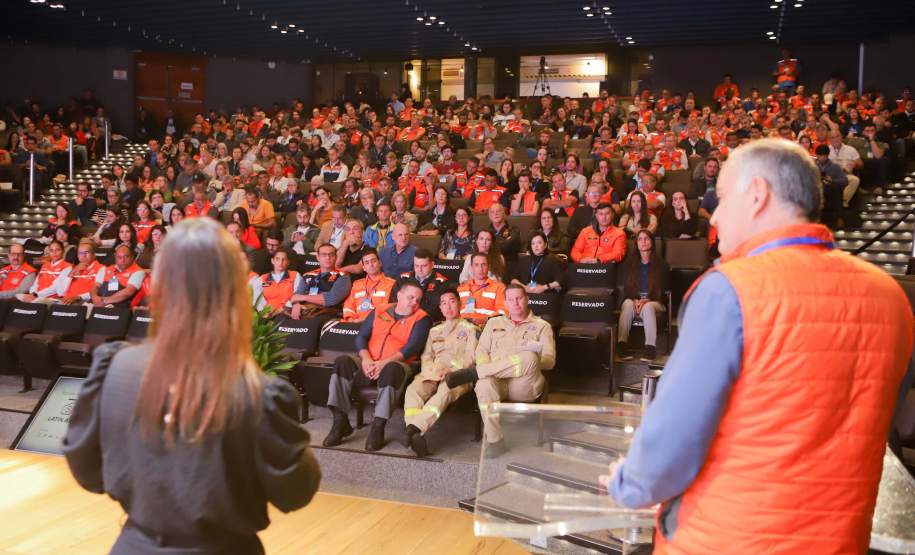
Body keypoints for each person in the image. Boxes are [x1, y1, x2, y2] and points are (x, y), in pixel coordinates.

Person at [602, 138, 913, 553]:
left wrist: (628, 483)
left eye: (723, 198)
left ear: (757, 194)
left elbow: (670, 444)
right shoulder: (891, 297)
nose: (714, 216)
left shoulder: (729, 290)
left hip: (727, 538)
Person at [63, 218, 320, 554]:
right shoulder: (257, 393)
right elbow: (295, 491)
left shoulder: (115, 368)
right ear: (233, 290)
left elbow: (88, 471)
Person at [323, 279, 433, 451]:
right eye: (411, 298)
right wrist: (366, 359)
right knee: (342, 362)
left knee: (392, 369)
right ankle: (340, 421)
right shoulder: (380, 310)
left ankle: (378, 426)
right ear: (399, 295)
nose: (414, 303)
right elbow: (360, 337)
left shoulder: (422, 318)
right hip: (369, 360)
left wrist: (383, 363)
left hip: (397, 364)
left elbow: (411, 348)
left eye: (418, 300)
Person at [445, 285, 555, 453]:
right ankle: (495, 441)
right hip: (497, 382)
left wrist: (534, 358)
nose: (515, 303)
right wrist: (486, 367)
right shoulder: (494, 322)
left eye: (519, 298)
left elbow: (550, 361)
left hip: (523, 385)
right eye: (511, 299)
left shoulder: (542, 326)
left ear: (526, 299)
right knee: (483, 385)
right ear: (505, 303)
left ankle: (476, 373)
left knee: (530, 356)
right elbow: (481, 351)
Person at [402, 288, 479, 457]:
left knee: (444, 393)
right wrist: (432, 372)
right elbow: (427, 356)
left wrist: (451, 370)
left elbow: (471, 357)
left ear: (459, 304)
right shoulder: (434, 331)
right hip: (433, 372)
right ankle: (414, 432)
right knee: (413, 390)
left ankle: (414, 428)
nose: (448, 306)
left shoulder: (470, 328)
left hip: (458, 374)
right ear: (440, 308)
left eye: (451, 301)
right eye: (443, 303)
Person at [616, 230, 669, 362]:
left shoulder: (662, 265)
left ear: (652, 242)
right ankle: (621, 345)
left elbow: (663, 290)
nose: (643, 242)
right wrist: (635, 300)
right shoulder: (630, 264)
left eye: (646, 239)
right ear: (636, 244)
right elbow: (627, 287)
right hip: (634, 299)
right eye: (640, 239)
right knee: (627, 305)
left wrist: (647, 300)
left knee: (648, 307)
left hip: (655, 301)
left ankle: (650, 347)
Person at [285, 243, 351, 321]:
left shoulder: (343, 276)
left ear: (336, 257)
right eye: (324, 255)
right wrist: (296, 304)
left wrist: (304, 297)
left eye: (331, 254)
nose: (328, 257)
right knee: (281, 319)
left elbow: (332, 299)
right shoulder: (307, 275)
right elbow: (296, 296)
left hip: (327, 313)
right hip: (305, 311)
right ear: (318, 257)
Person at [341, 249, 396, 322]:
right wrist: (351, 319)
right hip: (355, 323)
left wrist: (365, 321)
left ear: (380, 263)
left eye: (373, 261)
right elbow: (349, 305)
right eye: (367, 263)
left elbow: (390, 309)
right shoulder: (357, 284)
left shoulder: (392, 283)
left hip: (378, 323)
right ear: (363, 267)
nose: (371, 264)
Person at [395, 248, 448, 322]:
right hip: (399, 319)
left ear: (432, 265)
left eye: (423, 266)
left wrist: (412, 316)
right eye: (416, 265)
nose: (419, 269)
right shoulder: (403, 278)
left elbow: (436, 310)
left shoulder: (441, 283)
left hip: (425, 321)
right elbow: (393, 301)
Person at [457, 253, 507, 326]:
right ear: (471, 268)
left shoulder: (499, 287)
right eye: (476, 265)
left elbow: (503, 313)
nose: (480, 268)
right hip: (462, 327)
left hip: (488, 327)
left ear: (488, 267)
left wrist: (486, 319)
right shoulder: (461, 288)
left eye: (483, 265)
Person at [90, 243, 146, 308]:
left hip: (118, 306)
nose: (123, 260)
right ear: (115, 257)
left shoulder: (138, 272)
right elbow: (95, 286)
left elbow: (128, 292)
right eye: (119, 257)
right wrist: (94, 297)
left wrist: (104, 301)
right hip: (97, 302)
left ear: (132, 257)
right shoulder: (105, 269)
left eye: (126, 256)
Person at [254, 248, 302, 315]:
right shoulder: (263, 278)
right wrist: (264, 311)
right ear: (272, 261)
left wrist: (282, 309)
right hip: (267, 315)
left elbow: (298, 295)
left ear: (288, 262)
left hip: (287, 313)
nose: (280, 262)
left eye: (284, 259)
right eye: (277, 259)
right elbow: (256, 298)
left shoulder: (295, 275)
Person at [59, 239, 103, 305]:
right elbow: (60, 292)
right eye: (80, 253)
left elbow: (99, 290)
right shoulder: (70, 268)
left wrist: (78, 297)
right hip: (65, 301)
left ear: (94, 255)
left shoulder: (101, 268)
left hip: (84, 302)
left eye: (86, 252)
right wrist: (72, 273)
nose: (83, 256)